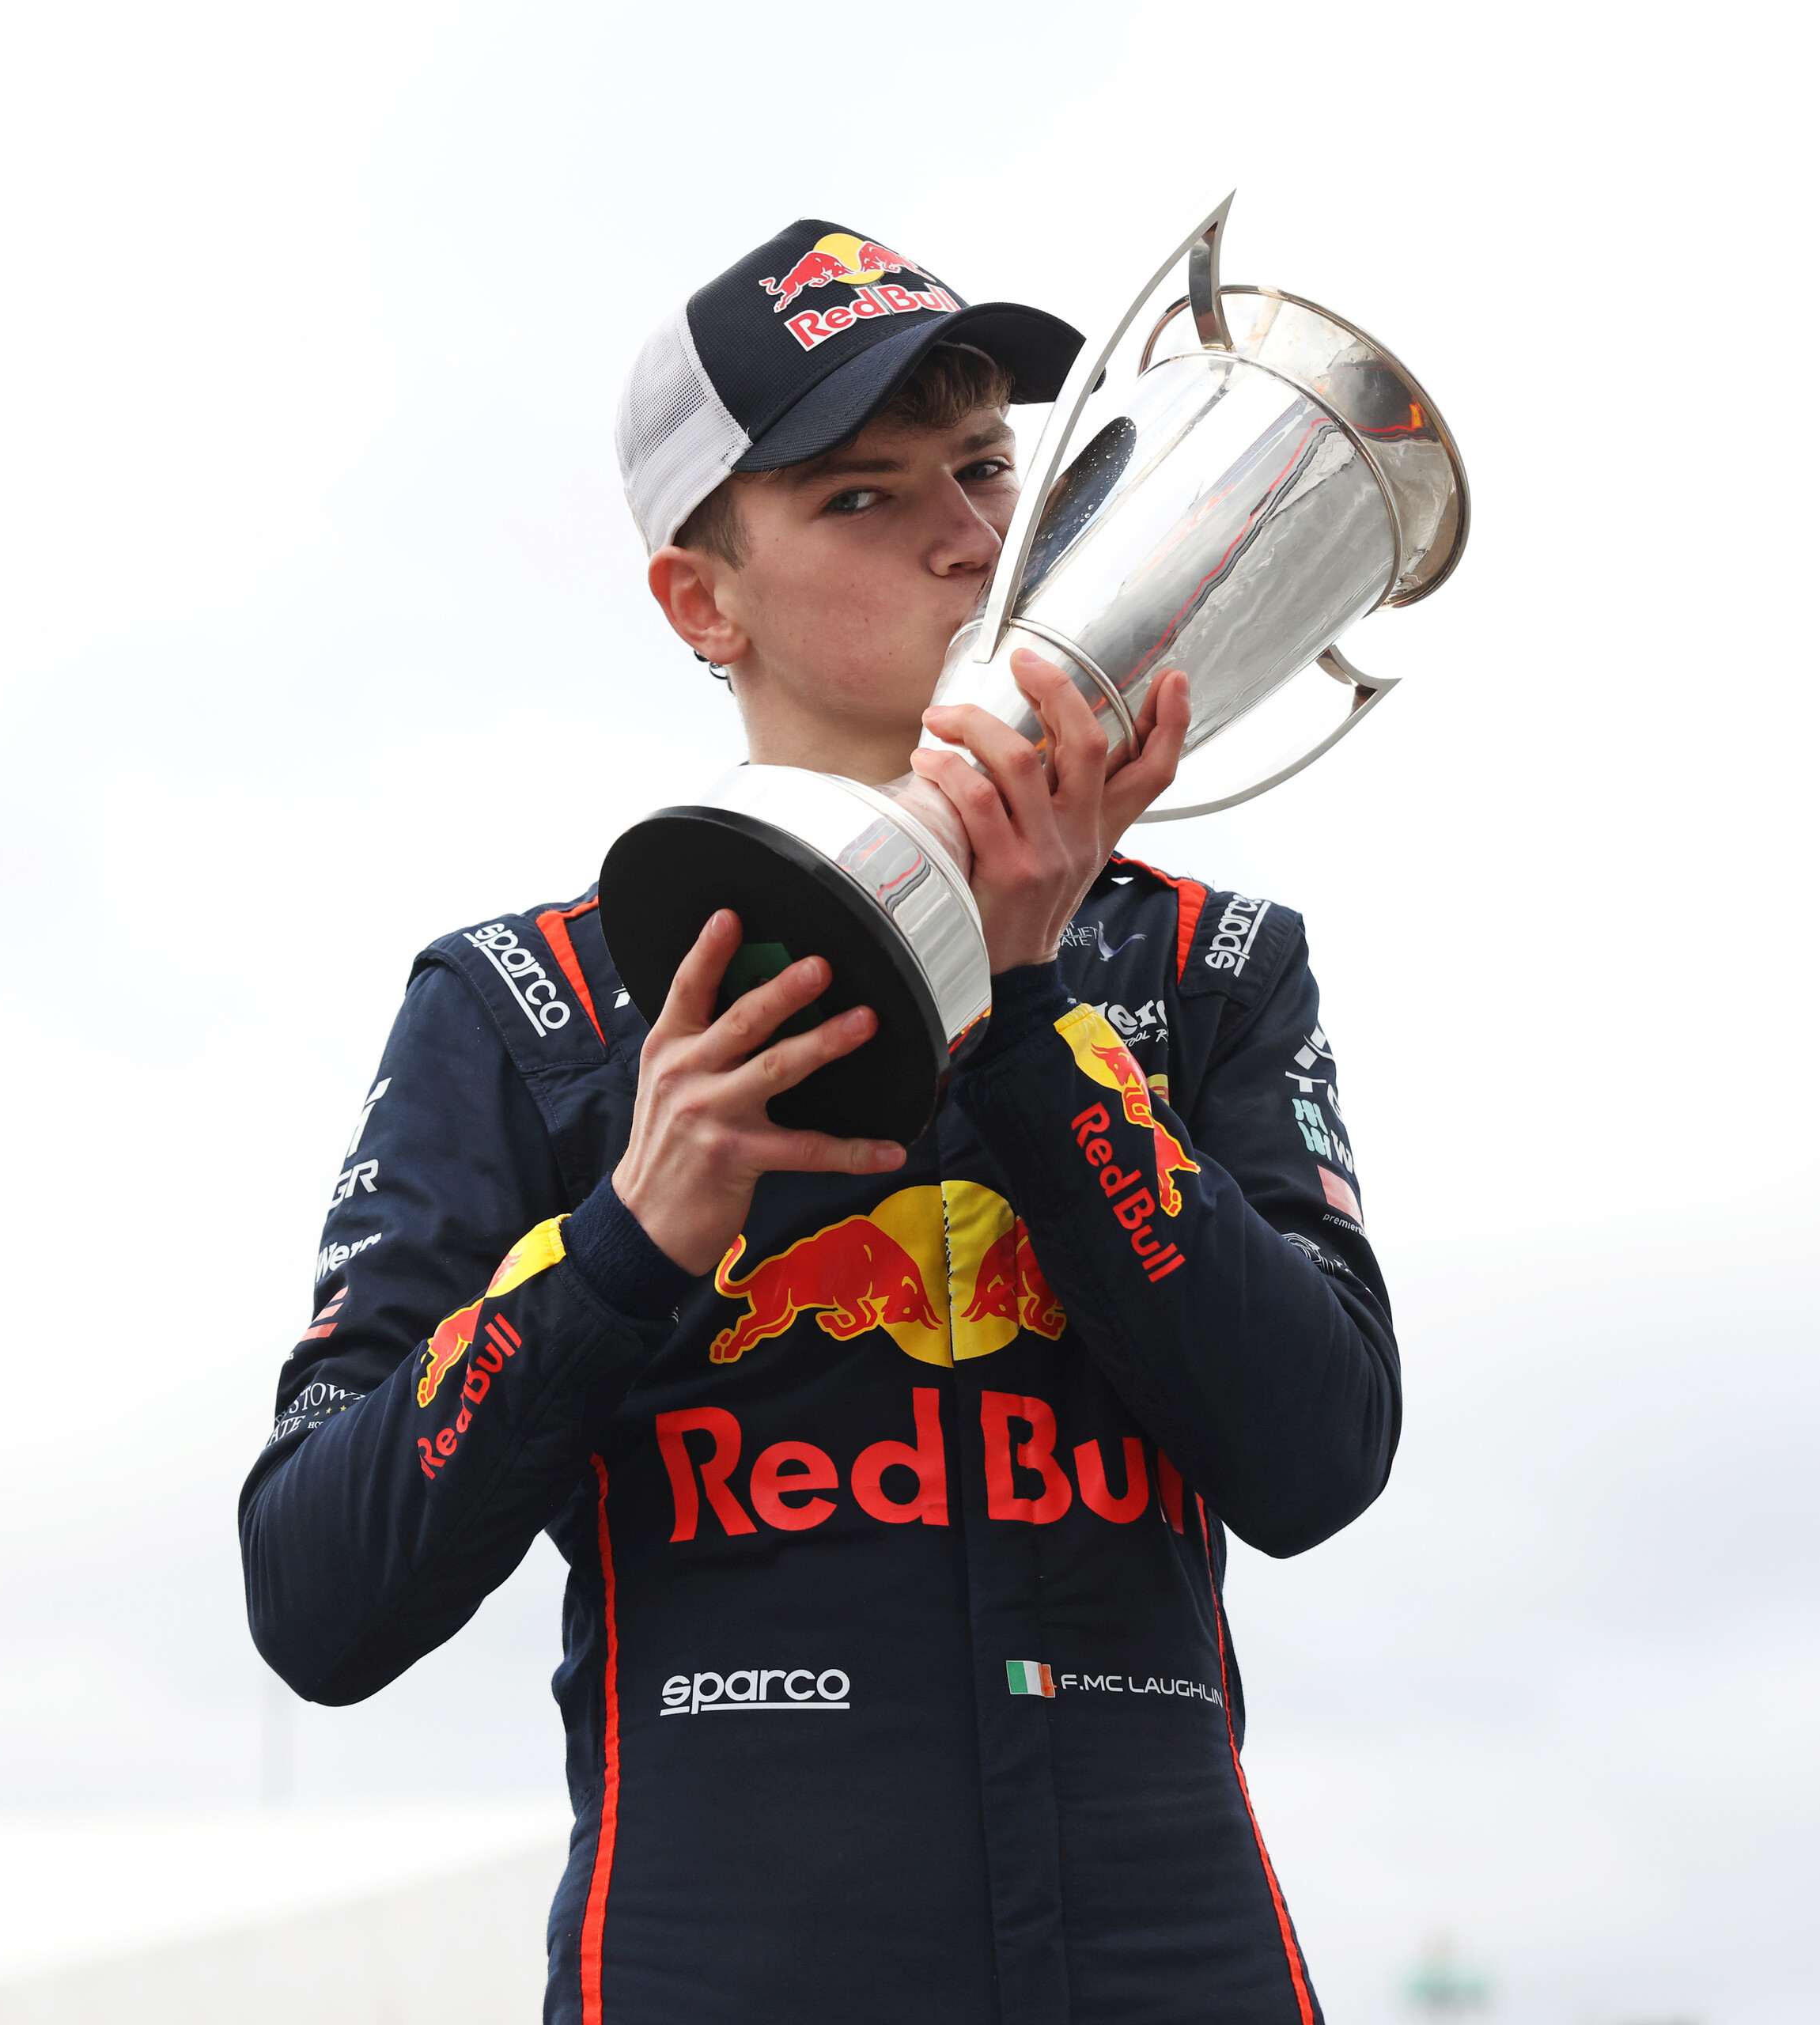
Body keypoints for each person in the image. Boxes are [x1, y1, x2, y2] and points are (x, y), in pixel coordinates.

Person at [240, 218, 1400, 2024]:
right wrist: (627, 1243)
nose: (971, 537)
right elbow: (318, 1593)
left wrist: (1024, 1010)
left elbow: (1318, 1458)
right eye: (865, 496)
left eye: (989, 467)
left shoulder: (1209, 965)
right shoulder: (533, 1006)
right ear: (703, 601)